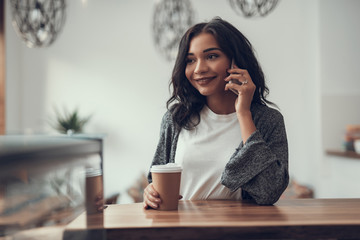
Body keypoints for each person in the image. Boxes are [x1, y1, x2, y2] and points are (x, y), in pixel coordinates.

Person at [143, 17, 288, 208]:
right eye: (190, 60)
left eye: (211, 56)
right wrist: (150, 192)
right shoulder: (175, 119)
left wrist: (243, 113)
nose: (199, 69)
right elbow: (156, 179)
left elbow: (269, 192)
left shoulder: (268, 120)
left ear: (236, 60)